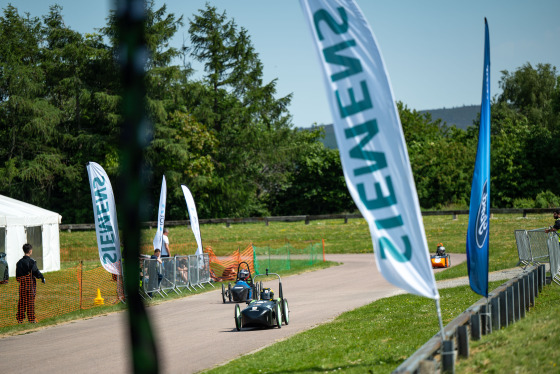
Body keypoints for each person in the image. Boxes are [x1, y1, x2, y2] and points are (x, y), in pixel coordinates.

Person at [16, 243, 45, 323]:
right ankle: (31, 319)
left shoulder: (19, 262)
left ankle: (20, 319)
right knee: (30, 302)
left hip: (22, 285)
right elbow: (36, 271)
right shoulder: (31, 261)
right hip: (30, 285)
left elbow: (17, 276)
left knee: (22, 302)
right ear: (30, 251)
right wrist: (42, 277)